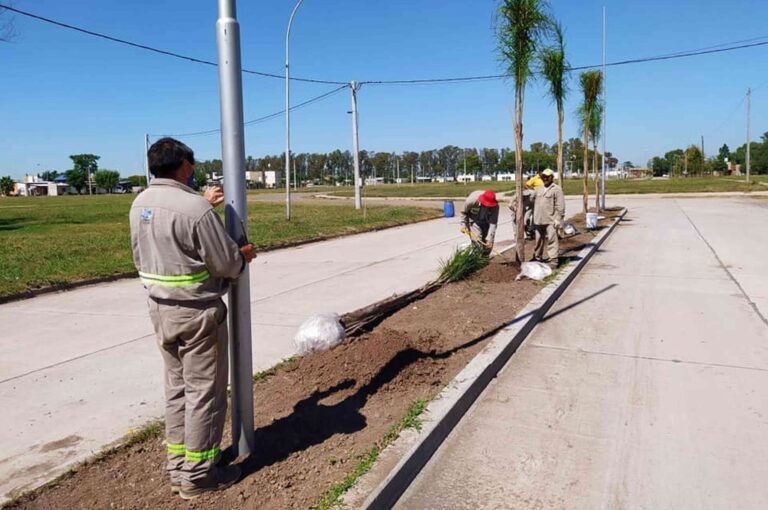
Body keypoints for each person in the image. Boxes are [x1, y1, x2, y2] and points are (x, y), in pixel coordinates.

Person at [129, 137, 257, 500]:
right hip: (197, 314)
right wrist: (243, 254)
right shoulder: (195, 210)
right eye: (193, 165)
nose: (195, 170)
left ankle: (177, 467)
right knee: (205, 394)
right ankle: (199, 476)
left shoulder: (139, 203)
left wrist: (202, 203)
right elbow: (226, 263)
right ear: (184, 165)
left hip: (160, 311)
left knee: (177, 391)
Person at [532, 168, 565, 268]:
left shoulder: (557, 189)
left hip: (551, 220)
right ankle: (537, 258)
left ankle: (553, 260)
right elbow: (530, 198)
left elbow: (560, 206)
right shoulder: (539, 189)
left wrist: (558, 219)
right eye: (543, 177)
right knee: (538, 240)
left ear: (552, 177)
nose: (545, 178)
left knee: (552, 240)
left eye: (547, 177)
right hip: (538, 220)